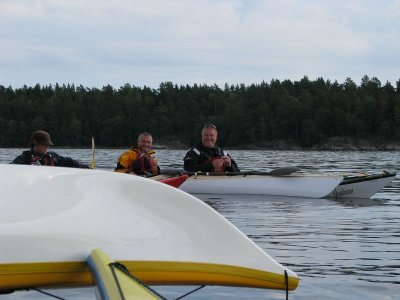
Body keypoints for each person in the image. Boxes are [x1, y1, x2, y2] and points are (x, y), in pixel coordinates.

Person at [11, 130, 89, 168]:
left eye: (48, 145)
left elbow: (69, 161)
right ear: (35, 142)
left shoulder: (52, 156)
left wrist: (84, 167)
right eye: (44, 144)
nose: (47, 147)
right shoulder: (24, 158)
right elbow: (10, 169)